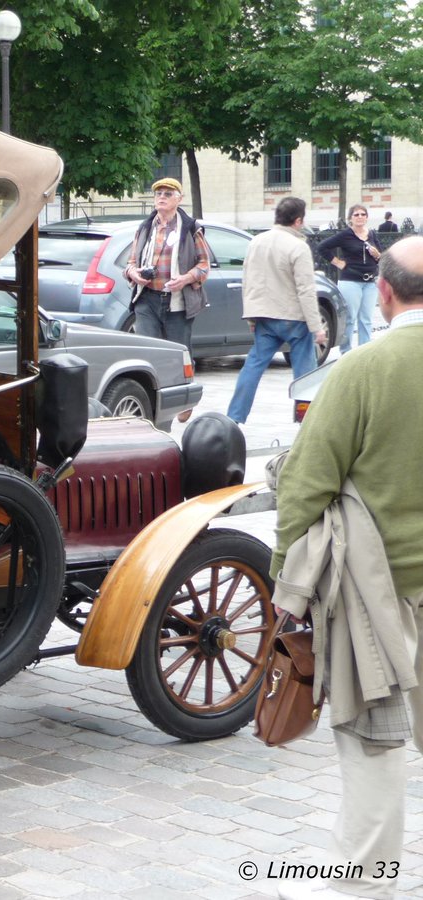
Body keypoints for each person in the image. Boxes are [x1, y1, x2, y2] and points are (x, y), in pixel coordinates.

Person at [269, 235, 423, 900]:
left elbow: (306, 484)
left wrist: (286, 589)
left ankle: (365, 890)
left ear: (382, 293)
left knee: (375, 753)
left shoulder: (363, 370)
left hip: (376, 600)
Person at [225, 197, 326, 424]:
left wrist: (251, 315)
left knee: (253, 366)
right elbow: (306, 290)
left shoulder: (256, 241)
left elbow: (249, 278)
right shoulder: (299, 247)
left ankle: (235, 418)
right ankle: (307, 421)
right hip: (294, 318)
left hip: (264, 315)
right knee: (305, 375)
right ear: (298, 221)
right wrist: (316, 327)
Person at [123, 177, 210, 422]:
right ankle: (153, 404)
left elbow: (205, 266)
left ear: (178, 199)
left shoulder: (191, 228)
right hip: (147, 299)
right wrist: (134, 274)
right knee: (146, 352)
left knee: (179, 355)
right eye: (158, 193)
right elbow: (129, 264)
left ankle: (184, 399)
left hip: (177, 301)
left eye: (168, 193)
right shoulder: (145, 228)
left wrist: (184, 279)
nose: (161, 197)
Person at [317, 204, 383, 352]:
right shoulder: (345, 235)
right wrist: (338, 263)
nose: (360, 217)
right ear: (350, 218)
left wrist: (377, 255)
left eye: (363, 214)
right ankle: (346, 352)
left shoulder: (372, 234)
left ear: (367, 217)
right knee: (350, 318)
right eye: (356, 214)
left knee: (366, 319)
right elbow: (322, 247)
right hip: (351, 281)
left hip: (370, 282)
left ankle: (364, 351)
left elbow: (381, 256)